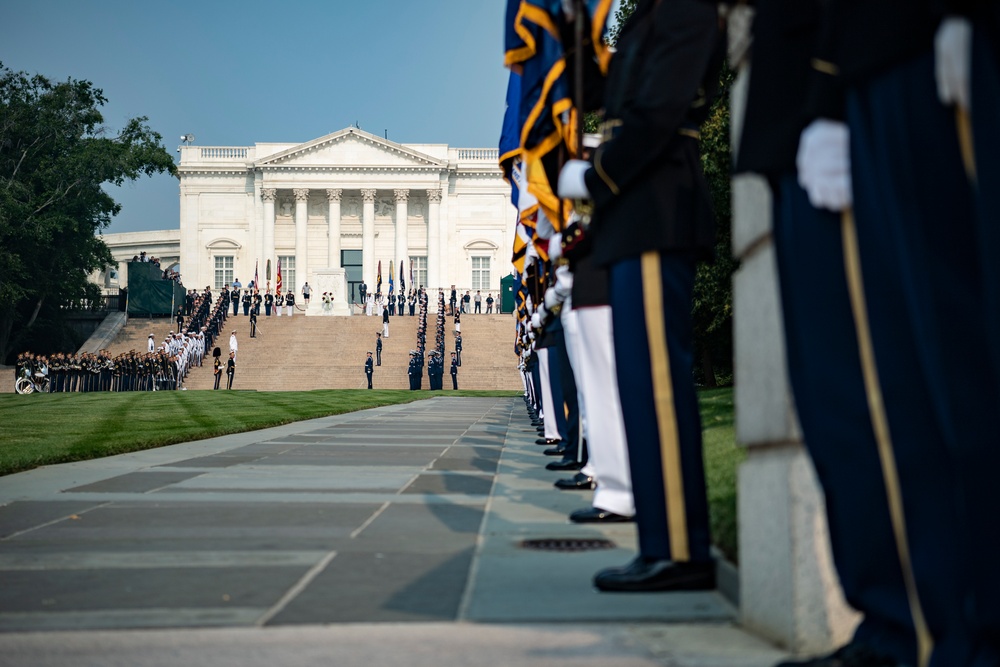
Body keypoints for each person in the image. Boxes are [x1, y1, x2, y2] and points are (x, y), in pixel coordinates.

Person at [556, 0, 723, 592]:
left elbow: (657, 114)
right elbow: (610, 92)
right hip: (632, 220)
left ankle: (680, 549)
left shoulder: (684, 10)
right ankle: (661, 541)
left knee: (656, 389)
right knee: (638, 391)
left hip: (656, 211)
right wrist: (571, 37)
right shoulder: (650, 19)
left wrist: (597, 174)